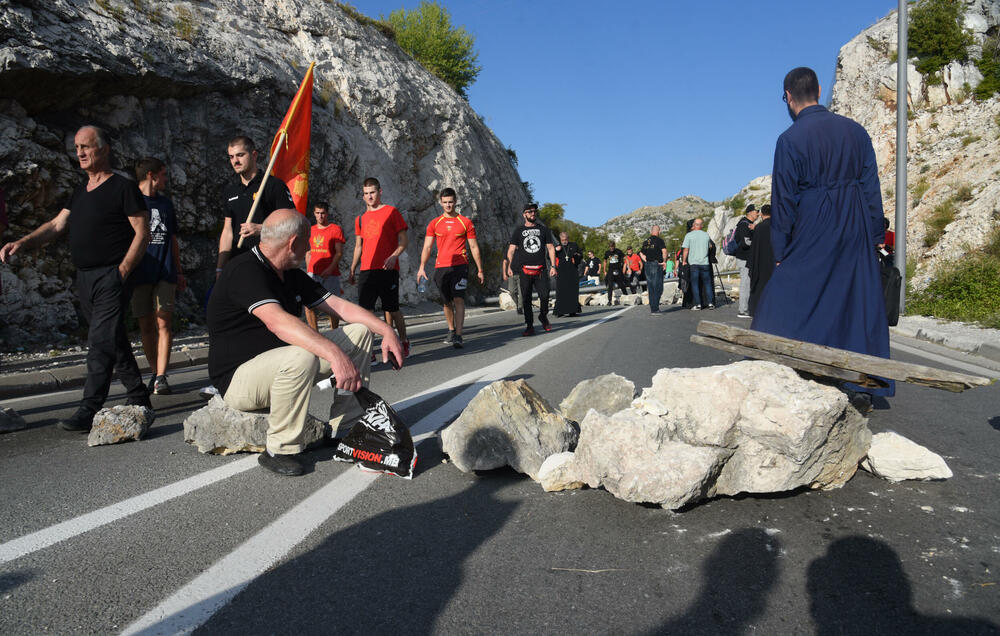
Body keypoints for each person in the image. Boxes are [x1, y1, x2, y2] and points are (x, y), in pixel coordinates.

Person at [208, 209, 405, 476]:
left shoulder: (289, 273)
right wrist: (335, 356)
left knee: (359, 333)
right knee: (302, 356)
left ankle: (345, 427)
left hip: (278, 366)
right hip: (238, 379)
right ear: (292, 243)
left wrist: (387, 330)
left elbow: (339, 307)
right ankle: (279, 448)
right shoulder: (244, 270)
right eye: (308, 242)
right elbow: (277, 322)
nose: (311, 248)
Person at [753, 66, 893, 405]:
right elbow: (871, 187)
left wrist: (781, 247)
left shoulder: (789, 140)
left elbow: (784, 200)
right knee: (852, 298)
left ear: (787, 97)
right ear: (818, 89)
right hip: (855, 219)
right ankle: (860, 382)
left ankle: (780, 366)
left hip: (814, 219)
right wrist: (876, 231)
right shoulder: (856, 132)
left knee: (791, 293)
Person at [0, 126, 151, 431]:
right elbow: (57, 225)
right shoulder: (80, 191)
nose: (80, 153)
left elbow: (143, 233)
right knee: (114, 339)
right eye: (77, 147)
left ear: (104, 149)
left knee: (99, 341)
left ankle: (89, 406)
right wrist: (23, 242)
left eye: (86, 146)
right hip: (85, 278)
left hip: (112, 275)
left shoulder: (123, 188)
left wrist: (121, 271)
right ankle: (139, 397)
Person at [131, 157, 185, 395]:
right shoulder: (132, 202)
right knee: (145, 325)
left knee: (164, 320)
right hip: (139, 271)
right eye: (163, 174)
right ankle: (154, 371)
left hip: (165, 270)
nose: (166, 179)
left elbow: (172, 238)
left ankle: (162, 376)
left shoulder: (166, 204)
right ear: (151, 175)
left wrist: (179, 270)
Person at [348, 177, 410, 357]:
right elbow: (358, 246)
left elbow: (404, 241)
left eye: (372, 192)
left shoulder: (392, 212)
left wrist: (394, 256)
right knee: (365, 312)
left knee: (392, 309)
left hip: (387, 269)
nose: (369, 196)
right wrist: (353, 268)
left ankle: (404, 341)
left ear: (380, 192)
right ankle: (370, 350)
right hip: (367, 270)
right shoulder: (360, 219)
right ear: (363, 196)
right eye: (366, 194)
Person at [216, 135, 295, 275]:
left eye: (240, 155)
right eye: (231, 157)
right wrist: (220, 268)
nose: (235, 161)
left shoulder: (274, 185)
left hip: (269, 263)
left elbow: (294, 224)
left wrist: (262, 229)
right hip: (238, 265)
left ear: (254, 155)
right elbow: (227, 231)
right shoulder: (230, 191)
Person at [417, 187, 484, 348]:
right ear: (441, 203)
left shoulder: (465, 222)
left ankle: (459, 335)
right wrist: (421, 267)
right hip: (442, 266)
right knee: (446, 302)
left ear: (455, 202)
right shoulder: (434, 223)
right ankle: (451, 329)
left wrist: (480, 269)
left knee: (458, 299)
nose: (448, 205)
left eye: (451, 202)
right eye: (445, 202)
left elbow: (474, 247)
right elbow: (427, 247)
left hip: (460, 265)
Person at [505, 203, 556, 336]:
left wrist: (553, 266)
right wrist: (510, 266)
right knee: (526, 298)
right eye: (529, 211)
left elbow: (550, 248)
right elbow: (510, 251)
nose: (533, 213)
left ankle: (543, 316)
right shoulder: (518, 231)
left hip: (541, 270)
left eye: (534, 211)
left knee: (545, 296)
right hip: (524, 271)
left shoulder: (544, 230)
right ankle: (529, 326)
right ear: (524, 214)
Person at [305, 201, 345, 333]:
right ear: (314, 214)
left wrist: (330, 268)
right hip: (313, 272)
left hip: (330, 273)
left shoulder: (335, 229)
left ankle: (335, 332)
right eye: (317, 213)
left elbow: (339, 253)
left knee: (332, 306)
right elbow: (308, 252)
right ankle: (315, 334)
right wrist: (308, 270)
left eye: (323, 213)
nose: (320, 216)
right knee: (308, 305)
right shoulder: (310, 230)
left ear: (327, 213)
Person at [733, 204, 761, 318]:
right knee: (745, 284)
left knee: (748, 283)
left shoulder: (746, 224)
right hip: (744, 258)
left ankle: (747, 308)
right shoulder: (744, 225)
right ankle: (743, 310)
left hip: (746, 258)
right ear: (750, 212)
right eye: (756, 211)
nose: (758, 213)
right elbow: (745, 243)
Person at [747, 204, 774, 317]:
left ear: (762, 214)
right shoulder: (776, 226)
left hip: (759, 262)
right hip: (773, 262)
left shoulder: (759, 228)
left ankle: (755, 310)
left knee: (759, 287)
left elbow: (755, 247)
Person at [682, 218, 713, 310]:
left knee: (695, 284)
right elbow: (710, 246)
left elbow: (686, 250)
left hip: (694, 263)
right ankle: (710, 303)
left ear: (694, 225)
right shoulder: (706, 235)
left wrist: (684, 261)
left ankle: (698, 304)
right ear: (701, 226)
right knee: (707, 283)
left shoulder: (689, 235)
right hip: (705, 263)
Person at [640, 225, 668, 312]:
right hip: (656, 264)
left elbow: (641, 253)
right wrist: (664, 261)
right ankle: (655, 308)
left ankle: (653, 308)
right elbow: (664, 251)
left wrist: (646, 260)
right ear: (658, 232)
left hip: (648, 265)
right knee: (658, 287)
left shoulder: (646, 241)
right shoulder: (659, 240)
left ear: (651, 231)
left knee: (651, 286)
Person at [553, 231, 582, 316]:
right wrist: (555, 250)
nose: (564, 241)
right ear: (560, 239)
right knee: (561, 292)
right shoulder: (558, 247)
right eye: (562, 240)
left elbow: (581, 255)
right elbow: (548, 256)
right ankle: (559, 312)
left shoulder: (574, 245)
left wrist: (577, 255)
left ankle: (572, 311)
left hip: (572, 271)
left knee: (572, 291)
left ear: (568, 238)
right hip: (561, 272)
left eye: (565, 239)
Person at [603, 240, 629, 305]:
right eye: (610, 247)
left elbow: (626, 258)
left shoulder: (618, 251)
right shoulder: (607, 252)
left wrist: (628, 268)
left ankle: (626, 296)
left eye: (612, 246)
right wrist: (604, 270)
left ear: (614, 246)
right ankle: (609, 301)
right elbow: (605, 261)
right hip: (611, 270)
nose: (611, 248)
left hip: (618, 269)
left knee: (621, 284)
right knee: (610, 285)